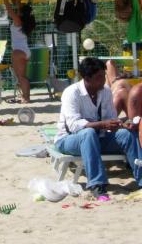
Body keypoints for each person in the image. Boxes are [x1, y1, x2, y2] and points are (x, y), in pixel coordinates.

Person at [55, 57, 142, 197]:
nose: (103, 80)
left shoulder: (105, 91)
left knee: (127, 135)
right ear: (87, 78)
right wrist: (102, 124)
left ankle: (141, 179)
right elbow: (73, 125)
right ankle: (97, 184)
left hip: (98, 138)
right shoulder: (71, 93)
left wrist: (121, 124)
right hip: (68, 140)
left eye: (104, 76)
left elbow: (111, 118)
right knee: (88, 133)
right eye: (99, 77)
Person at [5, 0, 36, 104]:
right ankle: (25, 96)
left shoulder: (18, 21)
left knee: (21, 77)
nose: (18, 10)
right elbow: (18, 9)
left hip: (19, 52)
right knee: (22, 76)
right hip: (23, 51)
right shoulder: (25, 22)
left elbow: (10, 11)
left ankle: (26, 98)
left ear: (22, 13)